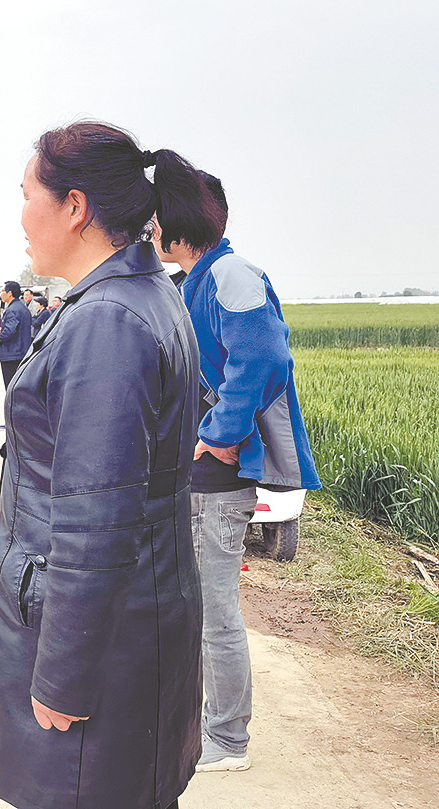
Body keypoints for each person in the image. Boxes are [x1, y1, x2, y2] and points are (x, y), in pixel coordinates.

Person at [0, 121, 203, 809]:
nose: (21, 216)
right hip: (132, 623)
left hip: (98, 650)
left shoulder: (107, 320)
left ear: (74, 206)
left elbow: (94, 522)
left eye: (26, 195)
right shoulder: (136, 295)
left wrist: (64, 676)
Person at [153, 170, 321, 773]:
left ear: (179, 222)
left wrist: (221, 434)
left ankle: (227, 740)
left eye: (155, 220)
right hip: (197, 479)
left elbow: (265, 357)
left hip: (220, 483)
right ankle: (204, 725)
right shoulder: (196, 281)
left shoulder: (231, 275)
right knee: (195, 608)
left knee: (215, 612)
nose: (150, 231)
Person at [0, 280, 32, 389]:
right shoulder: (22, 307)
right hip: (22, 352)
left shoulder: (13, 310)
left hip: (12, 354)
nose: (1, 294)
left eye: (3, 291)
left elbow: (10, 330)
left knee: (11, 387)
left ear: (9, 293)